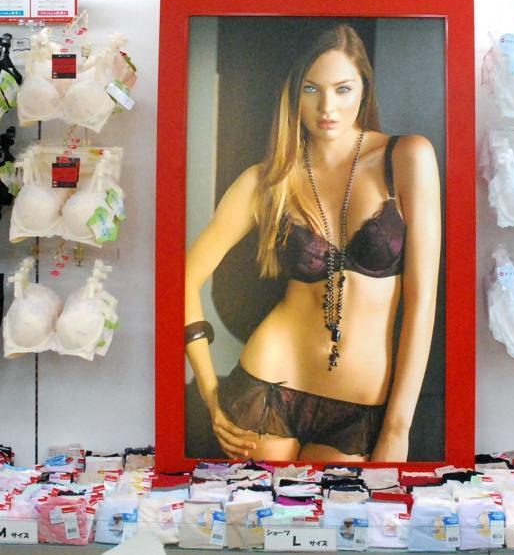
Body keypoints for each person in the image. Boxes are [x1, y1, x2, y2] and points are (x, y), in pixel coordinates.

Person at [184, 23, 441, 462]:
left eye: (343, 89)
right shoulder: (267, 180)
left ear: (364, 89)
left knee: (342, 509)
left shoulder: (407, 158)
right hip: (266, 386)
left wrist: (398, 428)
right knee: (259, 511)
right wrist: (211, 394)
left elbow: (422, 302)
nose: (327, 107)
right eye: (311, 89)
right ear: (293, 94)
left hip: (360, 405)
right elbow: (182, 280)